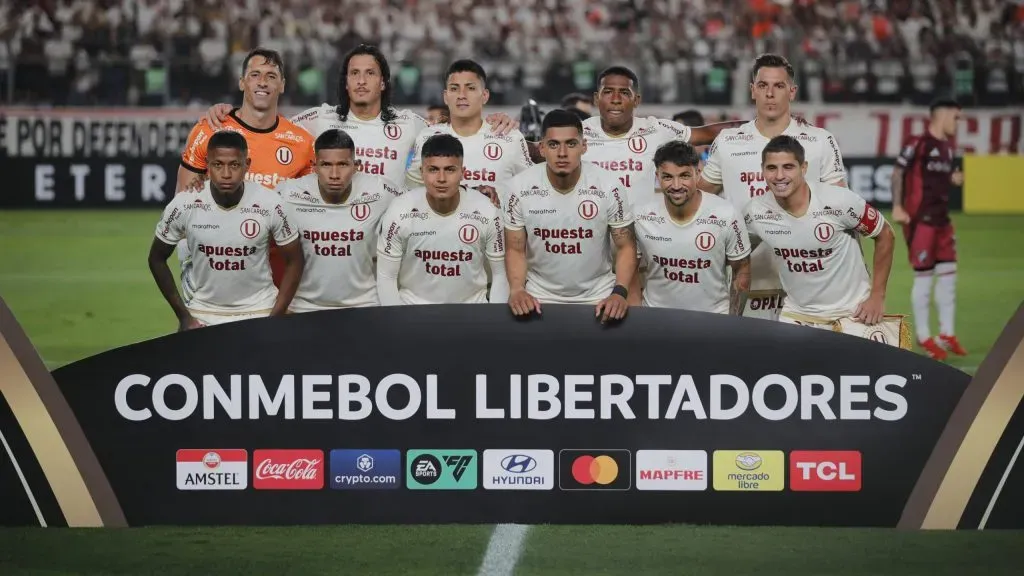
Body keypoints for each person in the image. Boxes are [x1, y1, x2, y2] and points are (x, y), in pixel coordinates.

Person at [202, 44, 518, 186]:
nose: (362, 80)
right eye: (355, 73)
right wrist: (227, 114)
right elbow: (265, 128)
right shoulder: (319, 119)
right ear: (346, 81)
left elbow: (456, 131)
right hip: (337, 243)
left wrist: (493, 123)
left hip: (390, 246)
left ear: (383, 82)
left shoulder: (410, 125)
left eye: (370, 73)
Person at [697, 53, 848, 322]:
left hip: (808, 279)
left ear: (792, 91)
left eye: (779, 86)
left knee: (803, 361)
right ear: (752, 90)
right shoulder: (729, 141)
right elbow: (699, 200)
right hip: (744, 276)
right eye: (763, 86)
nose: (770, 94)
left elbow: (843, 211)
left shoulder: (819, 141)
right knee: (746, 357)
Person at [176, 48, 314, 295]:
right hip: (216, 268)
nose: (263, 82)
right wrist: (187, 262)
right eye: (255, 75)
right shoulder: (209, 131)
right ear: (241, 82)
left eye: (271, 76)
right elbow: (183, 204)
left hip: (276, 269)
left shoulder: (302, 143)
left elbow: (307, 213)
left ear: (282, 85)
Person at [742, 136, 903, 345]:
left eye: (788, 167)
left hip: (852, 315)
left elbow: (885, 234)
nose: (779, 176)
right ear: (762, 170)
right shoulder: (756, 212)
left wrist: (877, 296)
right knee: (788, 375)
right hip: (796, 316)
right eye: (771, 168)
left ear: (804, 168)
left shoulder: (840, 202)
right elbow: (737, 250)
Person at [149, 131, 304, 330]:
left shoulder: (271, 204)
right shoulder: (185, 204)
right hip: (204, 314)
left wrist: (276, 314)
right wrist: (184, 317)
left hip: (260, 311)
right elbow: (156, 258)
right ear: (207, 166)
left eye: (234, 165)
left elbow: (295, 260)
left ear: (247, 165)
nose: (226, 174)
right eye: (218, 165)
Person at [501, 109, 638, 323]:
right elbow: (514, 248)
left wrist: (619, 293)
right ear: (542, 148)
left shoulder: (609, 186)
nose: (562, 153)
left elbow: (626, 246)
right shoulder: (518, 188)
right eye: (554, 144)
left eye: (571, 144)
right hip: (538, 298)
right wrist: (517, 290)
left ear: (584, 146)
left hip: (599, 297)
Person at [279, 129, 403, 311]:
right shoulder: (288, 193)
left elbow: (415, 207)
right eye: (326, 165)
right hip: (304, 307)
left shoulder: (380, 190)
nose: (335, 174)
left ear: (356, 166)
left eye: (343, 165)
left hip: (365, 305)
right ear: (314, 166)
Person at [581, 66, 743, 205]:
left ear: (636, 100)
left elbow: (708, 133)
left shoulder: (655, 129)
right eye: (608, 92)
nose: (615, 99)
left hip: (641, 236)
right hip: (590, 233)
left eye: (624, 92)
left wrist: (761, 126)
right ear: (596, 98)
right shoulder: (578, 132)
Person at [376, 134, 507, 305]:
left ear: (463, 172)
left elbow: (500, 274)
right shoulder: (399, 210)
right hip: (413, 310)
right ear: (421, 172)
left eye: (450, 170)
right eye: (433, 169)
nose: (441, 179)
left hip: (473, 311)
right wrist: (397, 323)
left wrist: (494, 320)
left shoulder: (487, 211)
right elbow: (386, 276)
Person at [633, 141, 751, 314]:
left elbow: (742, 269)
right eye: (667, 177)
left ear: (697, 174)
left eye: (684, 176)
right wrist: (638, 315)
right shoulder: (641, 215)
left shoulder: (726, 214)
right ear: (657, 177)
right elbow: (628, 266)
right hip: (656, 320)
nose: (676, 185)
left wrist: (733, 321)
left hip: (713, 320)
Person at [891, 98, 967, 361]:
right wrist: (898, 206)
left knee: (949, 275)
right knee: (923, 276)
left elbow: (935, 179)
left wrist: (951, 178)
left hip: (943, 221)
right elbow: (898, 173)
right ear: (942, 115)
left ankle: (946, 333)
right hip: (920, 221)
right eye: (956, 117)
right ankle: (924, 337)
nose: (959, 122)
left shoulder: (947, 148)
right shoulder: (917, 143)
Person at [406, 60, 533, 205]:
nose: (462, 95)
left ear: (485, 96)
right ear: (445, 97)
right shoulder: (426, 137)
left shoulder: (509, 136)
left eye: (470, 88)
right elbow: (413, 190)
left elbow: (532, 190)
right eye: (454, 89)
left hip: (498, 227)